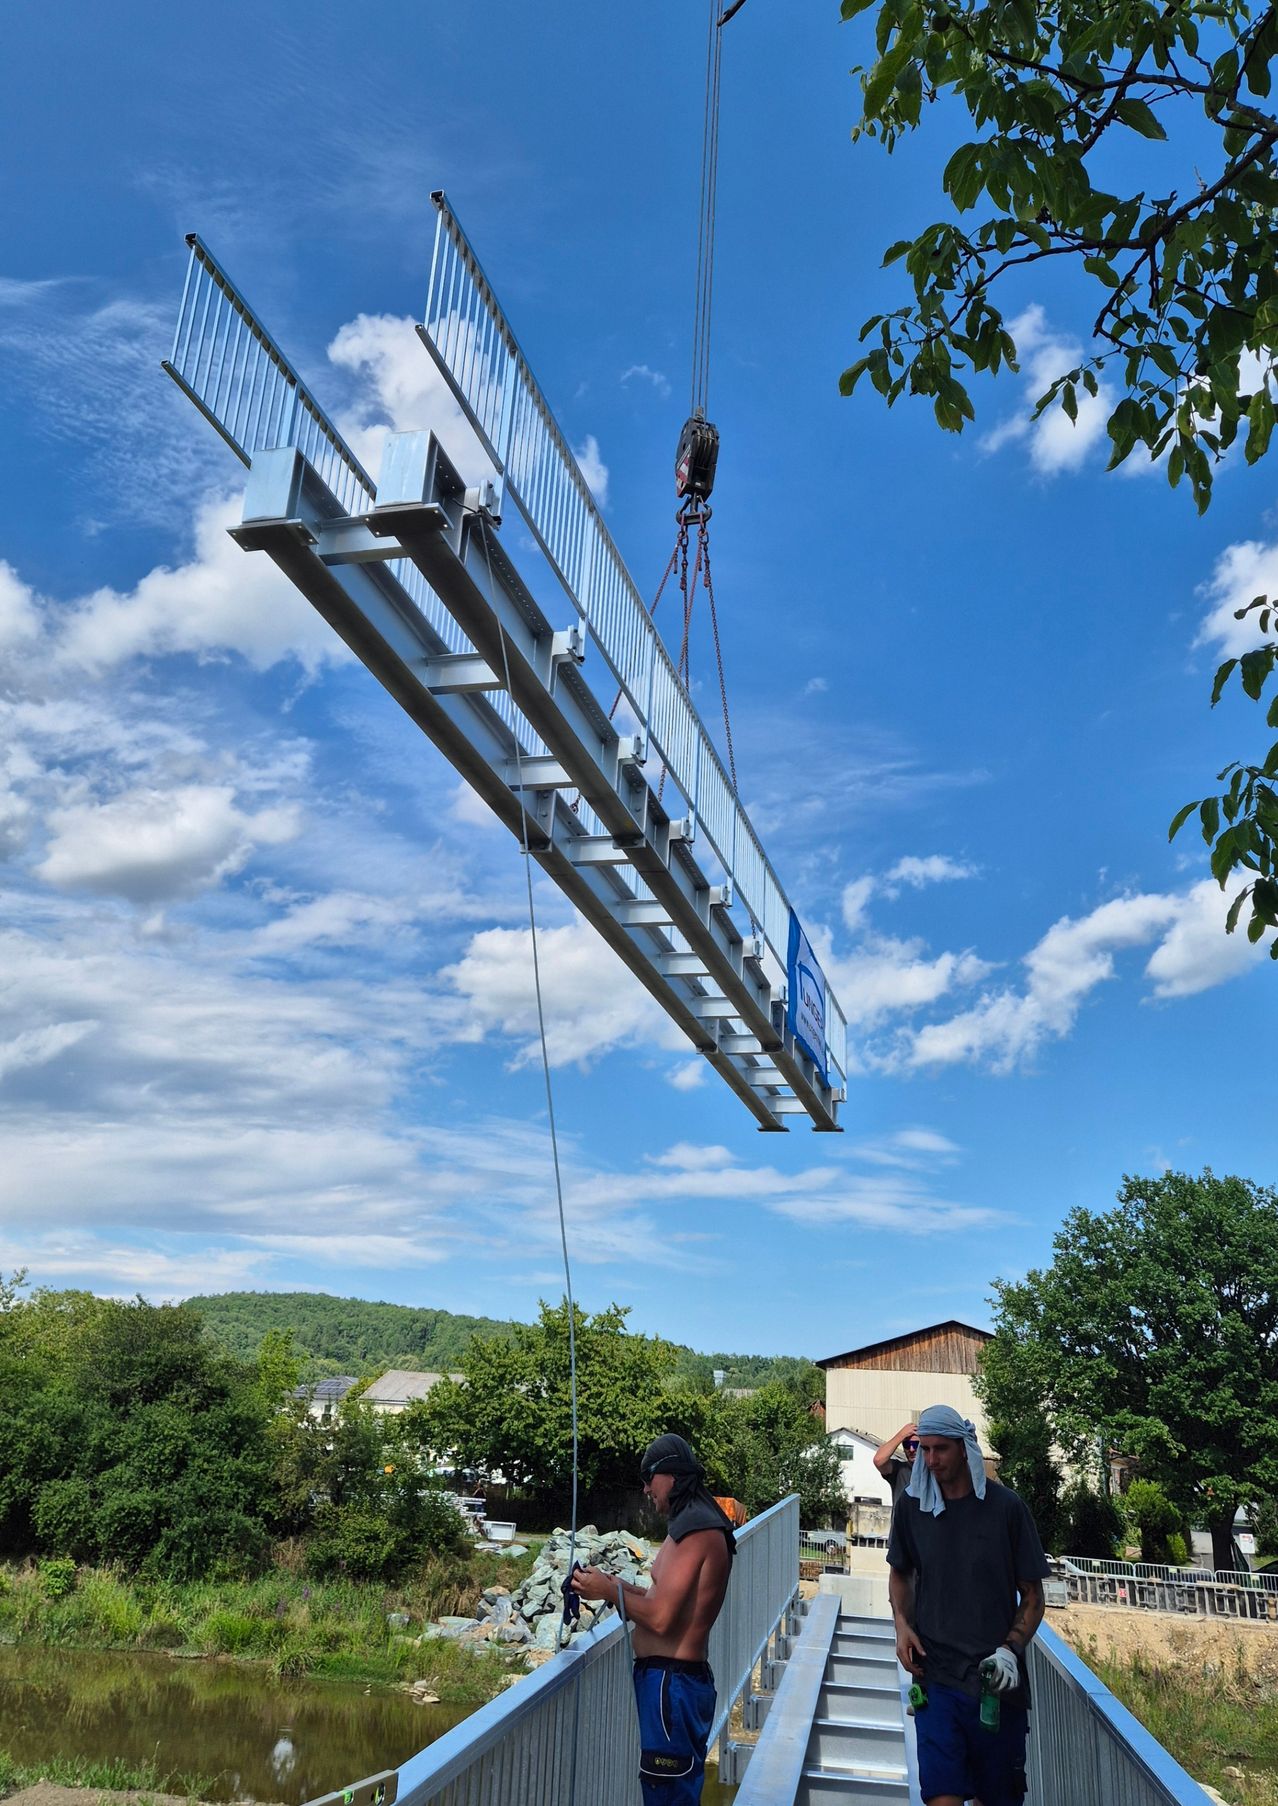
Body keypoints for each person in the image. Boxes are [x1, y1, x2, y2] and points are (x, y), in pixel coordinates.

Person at [887, 1404, 1048, 1806]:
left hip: (994, 1682)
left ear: (964, 1448)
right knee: (942, 1796)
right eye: (924, 1449)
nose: (930, 1460)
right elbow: (900, 1572)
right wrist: (902, 1624)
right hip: (935, 1676)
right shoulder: (912, 1506)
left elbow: (1032, 1594)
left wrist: (1011, 1650)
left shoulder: (1006, 1509)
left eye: (940, 1449)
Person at [571, 1434, 735, 1805]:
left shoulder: (696, 1532)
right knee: (669, 1789)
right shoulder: (697, 1523)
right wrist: (612, 1584)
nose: (645, 1489)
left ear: (672, 1476)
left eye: (649, 1478)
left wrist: (609, 1593)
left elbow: (660, 1620)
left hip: (670, 1687)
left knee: (668, 1794)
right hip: (673, 1684)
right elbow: (661, 1601)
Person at [875, 1420, 920, 1506]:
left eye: (915, 1444)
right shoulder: (899, 1470)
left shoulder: (934, 1472)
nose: (911, 1449)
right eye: (907, 1445)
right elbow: (878, 1460)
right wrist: (901, 1435)